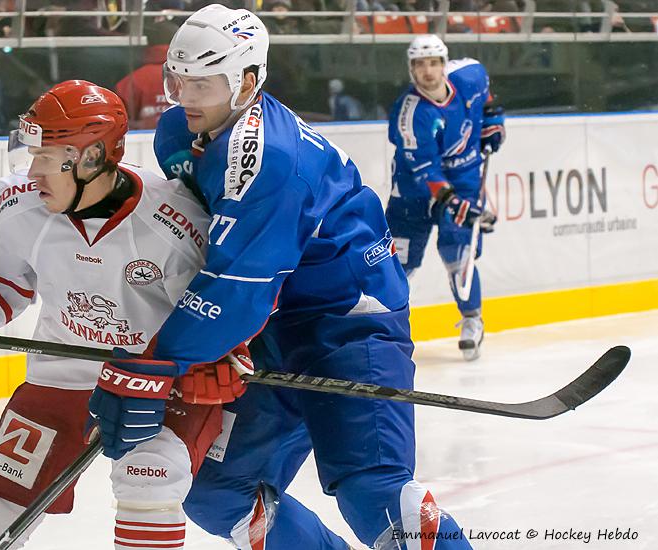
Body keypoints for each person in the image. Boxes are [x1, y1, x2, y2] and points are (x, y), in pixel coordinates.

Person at [87, 5, 473, 549]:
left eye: (203, 84)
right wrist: (200, 348)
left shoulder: (269, 159)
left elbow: (236, 286)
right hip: (271, 326)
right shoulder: (180, 131)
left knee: (374, 492)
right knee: (215, 490)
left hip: (349, 323)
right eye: (178, 81)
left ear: (247, 82)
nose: (186, 98)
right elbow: (202, 247)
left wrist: (156, 363)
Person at [0, 79, 254, 550]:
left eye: (47, 158)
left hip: (155, 380)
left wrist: (222, 356)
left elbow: (228, 305)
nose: (33, 171)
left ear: (91, 157)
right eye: (33, 155)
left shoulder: (175, 220)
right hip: (60, 375)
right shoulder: (20, 204)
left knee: (150, 480)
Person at [386, 34, 505, 361]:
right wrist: (459, 206)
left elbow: (486, 95)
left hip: (464, 180)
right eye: (419, 65)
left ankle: (472, 320)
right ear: (411, 69)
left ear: (444, 64)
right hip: (412, 192)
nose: (428, 71)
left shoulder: (469, 76)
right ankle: (382, 329)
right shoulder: (410, 113)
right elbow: (428, 173)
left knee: (458, 253)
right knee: (396, 264)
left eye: (434, 63)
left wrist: (493, 119)